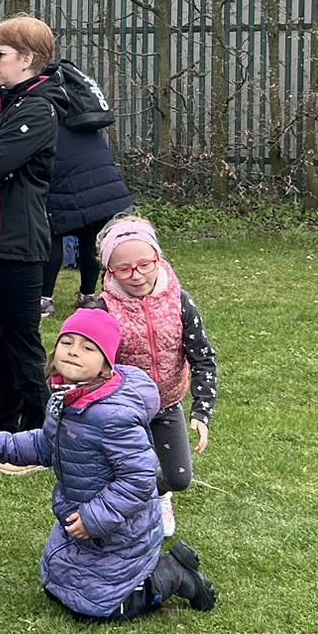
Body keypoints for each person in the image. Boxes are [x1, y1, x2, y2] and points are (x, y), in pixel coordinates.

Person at [0, 308, 214, 620]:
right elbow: (47, 443)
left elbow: (138, 479)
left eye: (88, 347)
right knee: (58, 589)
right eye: (67, 342)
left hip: (119, 527)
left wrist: (94, 518)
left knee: (101, 610)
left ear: (106, 363)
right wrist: (0, 444)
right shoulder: (64, 398)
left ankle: (173, 574)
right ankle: (134, 574)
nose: (74, 351)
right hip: (78, 517)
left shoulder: (113, 416)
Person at [0, 15, 68, 463]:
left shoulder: (37, 108)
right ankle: (3, 422)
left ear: (28, 59)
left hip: (17, 243)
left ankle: (40, 434)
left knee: (21, 342)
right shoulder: (7, 104)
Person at [96, 213, 218, 534]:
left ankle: (158, 493)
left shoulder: (180, 302)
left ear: (158, 259)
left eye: (145, 265)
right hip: (122, 410)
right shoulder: (102, 310)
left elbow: (203, 358)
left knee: (179, 477)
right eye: (124, 269)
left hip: (166, 405)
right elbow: (85, 364)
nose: (136, 275)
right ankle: (127, 510)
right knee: (122, 473)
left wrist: (201, 412)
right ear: (109, 270)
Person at [40, 57, 132, 316]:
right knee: (91, 236)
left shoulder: (39, 100)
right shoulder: (76, 105)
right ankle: (88, 297)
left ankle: (44, 300)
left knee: (53, 232)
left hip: (65, 177)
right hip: (99, 176)